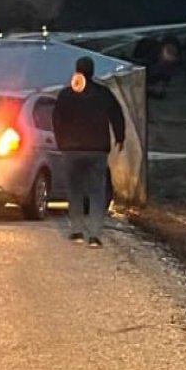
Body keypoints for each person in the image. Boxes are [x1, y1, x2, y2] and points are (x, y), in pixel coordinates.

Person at [53, 56, 126, 248]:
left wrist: (61, 141)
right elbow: (116, 114)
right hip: (97, 150)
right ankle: (94, 235)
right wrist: (120, 137)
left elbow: (57, 119)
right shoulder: (103, 93)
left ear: (77, 70)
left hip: (71, 150)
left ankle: (77, 231)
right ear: (93, 72)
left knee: (74, 190)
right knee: (96, 192)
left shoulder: (66, 94)